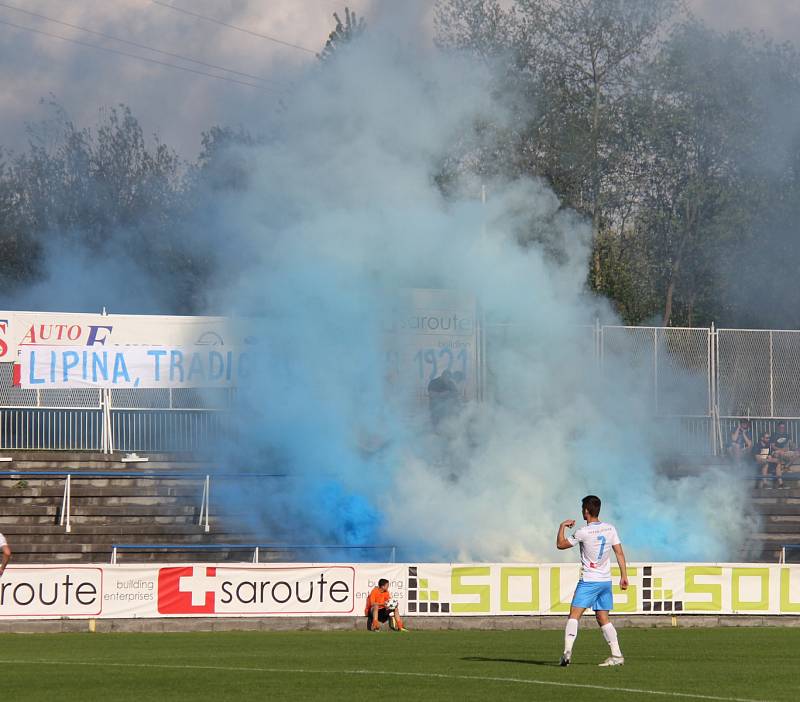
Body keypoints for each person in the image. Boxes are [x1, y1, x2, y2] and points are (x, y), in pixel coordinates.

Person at [556, 495, 628, 667]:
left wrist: (562, 527)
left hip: (589, 581)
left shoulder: (583, 532)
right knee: (603, 618)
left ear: (586, 511)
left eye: (583, 508)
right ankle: (617, 656)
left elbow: (560, 545)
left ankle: (567, 652)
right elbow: (619, 552)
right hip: (605, 581)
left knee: (574, 615)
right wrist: (624, 575)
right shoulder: (610, 529)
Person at [770, 422, 797, 487]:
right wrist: (780, 450)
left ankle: (786, 467)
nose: (782, 428)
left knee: (797, 454)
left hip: (785, 451)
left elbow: (790, 444)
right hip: (776, 451)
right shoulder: (774, 435)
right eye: (781, 427)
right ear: (778, 427)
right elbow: (773, 446)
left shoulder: (787, 435)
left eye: (783, 427)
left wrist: (794, 448)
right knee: (779, 455)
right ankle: (780, 469)